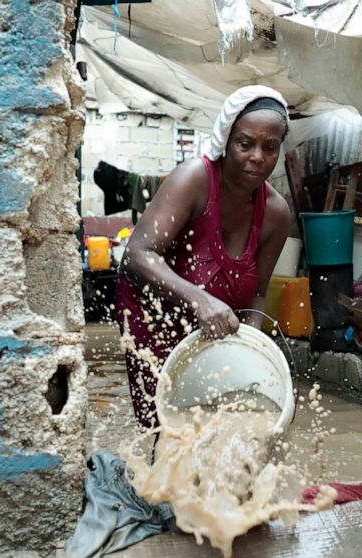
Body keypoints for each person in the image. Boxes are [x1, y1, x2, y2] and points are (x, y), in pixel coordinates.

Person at [116, 86, 293, 430]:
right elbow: (137, 254)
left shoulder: (275, 213)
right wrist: (201, 301)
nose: (257, 156)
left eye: (269, 147)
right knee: (166, 426)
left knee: (225, 421)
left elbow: (257, 293)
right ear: (226, 141)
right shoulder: (194, 179)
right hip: (155, 315)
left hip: (212, 327)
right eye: (245, 144)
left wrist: (251, 350)